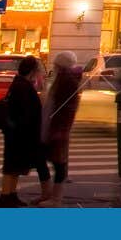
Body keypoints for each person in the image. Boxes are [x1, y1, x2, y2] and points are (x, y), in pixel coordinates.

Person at [0, 55, 45, 207]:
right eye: (38, 70)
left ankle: (11, 195)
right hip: (19, 133)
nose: (39, 73)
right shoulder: (23, 86)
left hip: (16, 132)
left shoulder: (21, 84)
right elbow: (26, 112)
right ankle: (5, 197)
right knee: (12, 166)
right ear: (32, 71)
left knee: (15, 166)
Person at [40, 51, 82, 205]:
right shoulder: (63, 78)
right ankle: (49, 195)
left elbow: (67, 108)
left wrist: (59, 128)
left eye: (56, 64)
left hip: (57, 128)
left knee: (58, 163)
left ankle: (55, 199)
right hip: (54, 126)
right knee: (48, 161)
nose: (54, 66)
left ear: (61, 65)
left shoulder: (66, 80)